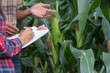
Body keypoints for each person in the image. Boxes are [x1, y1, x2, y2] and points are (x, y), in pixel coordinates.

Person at [1, 0, 55, 73]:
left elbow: (14, 15)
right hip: (5, 48)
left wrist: (29, 11)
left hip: (14, 48)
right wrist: (2, 24)